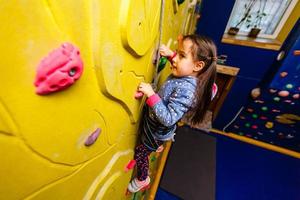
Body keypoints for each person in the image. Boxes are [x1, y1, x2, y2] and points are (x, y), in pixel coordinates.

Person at [127, 34, 217, 193]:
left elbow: (168, 119)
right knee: (149, 146)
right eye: (178, 52)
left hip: (156, 130)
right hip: (155, 126)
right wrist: (171, 55)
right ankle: (158, 145)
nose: (176, 58)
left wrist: (151, 95)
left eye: (181, 55)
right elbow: (183, 67)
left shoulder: (187, 90)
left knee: (141, 153)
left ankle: (142, 179)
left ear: (198, 66)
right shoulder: (187, 73)